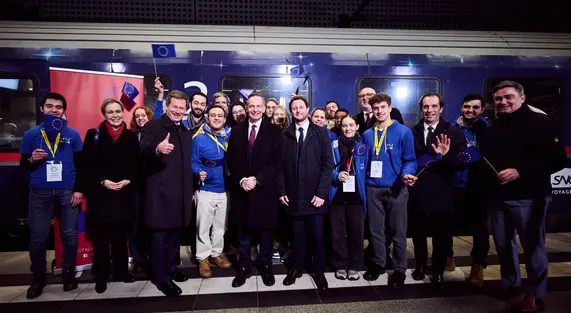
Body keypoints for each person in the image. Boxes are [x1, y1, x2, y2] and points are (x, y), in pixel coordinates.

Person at [480, 81, 566, 312]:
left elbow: (558, 160)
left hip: (530, 197)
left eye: (508, 97)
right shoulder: (494, 126)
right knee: (502, 246)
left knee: (533, 247)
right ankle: (511, 284)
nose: (503, 102)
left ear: (522, 98)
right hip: (499, 198)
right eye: (498, 99)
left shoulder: (541, 123)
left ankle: (535, 295)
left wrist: (520, 171)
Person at [20, 92, 84, 299]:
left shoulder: (72, 135)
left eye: (58, 107)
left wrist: (79, 189)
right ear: (42, 109)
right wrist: (32, 159)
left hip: (67, 191)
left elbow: (81, 165)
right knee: (37, 240)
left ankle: (68, 273)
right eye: (49, 106)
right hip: (39, 193)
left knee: (70, 236)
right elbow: (23, 164)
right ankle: (38, 277)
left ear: (64, 110)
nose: (54, 110)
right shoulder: (32, 134)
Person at [81, 99, 139, 293]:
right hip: (102, 195)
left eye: (118, 111)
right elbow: (86, 165)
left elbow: (137, 165)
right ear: (104, 115)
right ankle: (102, 276)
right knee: (101, 240)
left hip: (123, 194)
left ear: (123, 113)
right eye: (110, 112)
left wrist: (128, 180)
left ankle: (122, 272)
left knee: (121, 239)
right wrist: (102, 181)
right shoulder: (94, 135)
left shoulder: (132, 137)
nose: (115, 115)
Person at [140, 90, 194, 297]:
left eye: (182, 108)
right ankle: (161, 278)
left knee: (175, 238)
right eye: (175, 107)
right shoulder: (152, 127)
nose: (178, 111)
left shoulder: (186, 132)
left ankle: (171, 269)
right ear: (167, 106)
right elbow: (143, 148)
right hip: (160, 195)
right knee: (160, 239)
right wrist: (157, 149)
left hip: (180, 195)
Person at [226, 93, 283, 288]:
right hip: (243, 190)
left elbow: (278, 162)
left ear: (265, 107)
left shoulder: (275, 131)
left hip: (264, 190)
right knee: (243, 233)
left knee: (266, 233)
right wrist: (242, 179)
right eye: (252, 106)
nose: (255, 109)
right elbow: (231, 160)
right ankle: (244, 267)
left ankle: (265, 265)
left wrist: (257, 180)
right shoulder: (236, 130)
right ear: (246, 107)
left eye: (259, 106)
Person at [409, 93, 465, 288]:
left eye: (434, 106)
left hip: (442, 193)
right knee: (418, 234)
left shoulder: (453, 132)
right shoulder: (413, 131)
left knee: (441, 236)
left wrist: (447, 156)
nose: (430, 110)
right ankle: (420, 266)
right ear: (421, 109)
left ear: (441, 108)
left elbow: (462, 163)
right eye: (426, 107)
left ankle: (438, 271)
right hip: (417, 192)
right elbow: (410, 160)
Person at [360, 93, 417, 287]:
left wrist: (407, 174)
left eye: (383, 107)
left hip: (397, 188)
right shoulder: (367, 134)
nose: (379, 111)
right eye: (375, 108)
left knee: (398, 231)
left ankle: (400, 269)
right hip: (373, 188)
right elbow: (363, 162)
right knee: (376, 231)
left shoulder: (403, 132)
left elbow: (410, 159)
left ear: (390, 107)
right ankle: (378, 263)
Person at [279, 95, 333, 291]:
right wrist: (282, 190)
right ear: (291, 111)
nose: (298, 111)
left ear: (307, 109)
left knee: (318, 237)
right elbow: (280, 167)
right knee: (297, 237)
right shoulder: (285, 134)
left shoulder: (320, 133)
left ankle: (319, 272)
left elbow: (328, 165)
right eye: (294, 108)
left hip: (315, 198)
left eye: (301, 107)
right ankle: (296, 268)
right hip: (293, 196)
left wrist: (321, 193)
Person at [451, 94, 490, 287]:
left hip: (479, 187)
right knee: (447, 224)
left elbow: (489, 156)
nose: (471, 111)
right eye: (467, 107)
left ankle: (478, 265)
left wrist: (470, 154)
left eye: (475, 107)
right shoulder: (450, 129)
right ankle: (447, 258)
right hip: (454, 184)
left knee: (480, 228)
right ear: (461, 107)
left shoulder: (488, 130)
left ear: (482, 109)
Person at [191, 105, 232, 278]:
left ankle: (216, 253)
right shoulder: (198, 139)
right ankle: (203, 258)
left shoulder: (229, 137)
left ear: (224, 119)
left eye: (220, 116)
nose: (216, 118)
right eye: (213, 115)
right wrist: (197, 171)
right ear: (207, 118)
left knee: (220, 226)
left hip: (224, 190)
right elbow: (192, 161)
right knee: (203, 226)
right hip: (206, 189)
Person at [329, 114, 368, 281]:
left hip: (356, 197)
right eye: (344, 126)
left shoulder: (363, 147)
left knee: (356, 233)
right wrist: (336, 175)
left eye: (351, 125)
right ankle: (340, 265)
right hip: (337, 195)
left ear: (357, 126)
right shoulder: (333, 145)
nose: (348, 129)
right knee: (337, 234)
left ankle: (355, 265)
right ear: (340, 127)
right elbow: (325, 166)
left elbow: (366, 169)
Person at [129, 106, 154, 273]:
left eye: (143, 115)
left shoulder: (155, 134)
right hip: (135, 185)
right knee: (136, 223)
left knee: (152, 221)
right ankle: (139, 259)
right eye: (137, 116)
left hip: (152, 184)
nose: (140, 118)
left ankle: (153, 256)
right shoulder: (131, 136)